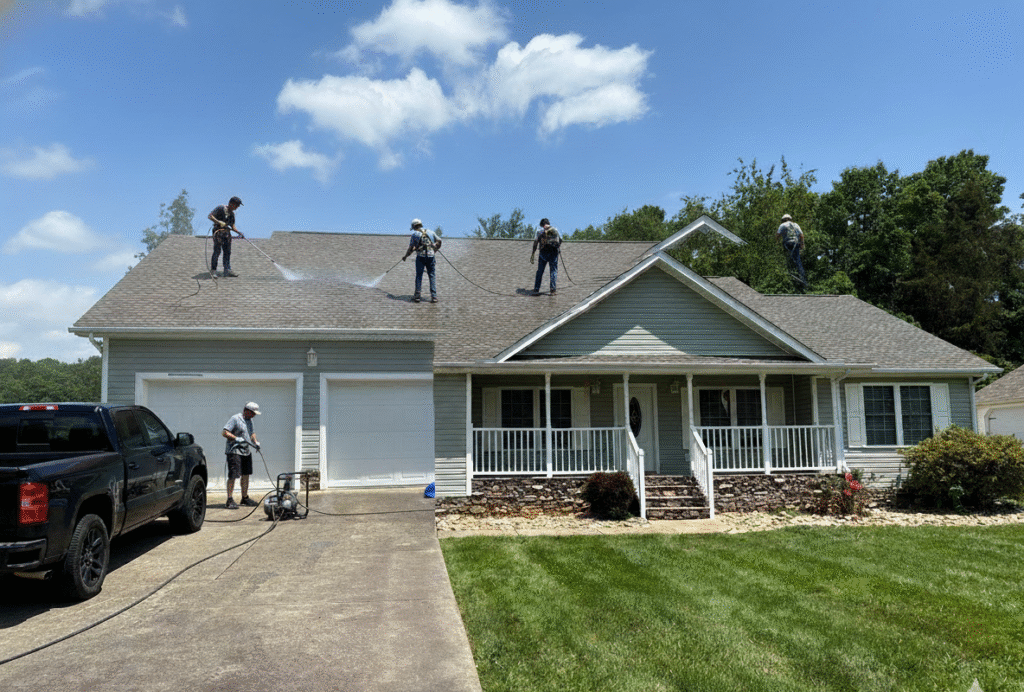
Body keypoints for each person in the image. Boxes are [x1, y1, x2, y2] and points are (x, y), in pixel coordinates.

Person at [222, 401, 261, 509]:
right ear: (246, 411)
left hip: (246, 451)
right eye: (252, 413)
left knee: (246, 475)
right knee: (233, 475)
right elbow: (225, 432)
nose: (253, 415)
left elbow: (252, 433)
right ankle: (229, 500)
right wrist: (236, 438)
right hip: (234, 451)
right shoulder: (235, 418)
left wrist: (255, 442)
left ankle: (244, 498)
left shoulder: (250, 421)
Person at [401, 218, 442, 303]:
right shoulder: (431, 232)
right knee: (432, 275)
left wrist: (405, 256)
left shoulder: (415, 234)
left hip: (421, 256)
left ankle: (417, 296)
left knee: (419, 275)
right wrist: (435, 250)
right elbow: (439, 241)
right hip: (431, 256)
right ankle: (434, 297)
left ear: (414, 226)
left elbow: (410, 248)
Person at [208, 196, 244, 277]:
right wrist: (219, 222)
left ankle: (227, 270)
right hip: (218, 232)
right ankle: (213, 270)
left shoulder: (232, 214)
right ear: (231, 204)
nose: (237, 207)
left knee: (227, 252)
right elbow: (210, 216)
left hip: (227, 234)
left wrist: (238, 232)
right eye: (237, 205)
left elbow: (232, 225)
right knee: (217, 251)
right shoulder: (221, 208)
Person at [531, 218, 562, 295]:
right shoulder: (555, 230)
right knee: (553, 271)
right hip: (553, 253)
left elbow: (535, 243)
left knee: (540, 271)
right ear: (548, 223)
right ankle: (552, 290)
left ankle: (536, 289)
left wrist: (533, 253)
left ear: (542, 225)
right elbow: (560, 240)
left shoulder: (540, 231)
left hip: (543, 253)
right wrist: (557, 247)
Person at [776, 213, 806, 284]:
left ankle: (790, 277)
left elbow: (778, 235)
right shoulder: (796, 225)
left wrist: (776, 243)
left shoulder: (782, 225)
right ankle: (802, 279)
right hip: (796, 244)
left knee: (788, 260)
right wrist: (802, 244)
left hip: (787, 244)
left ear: (783, 220)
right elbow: (801, 235)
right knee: (798, 261)